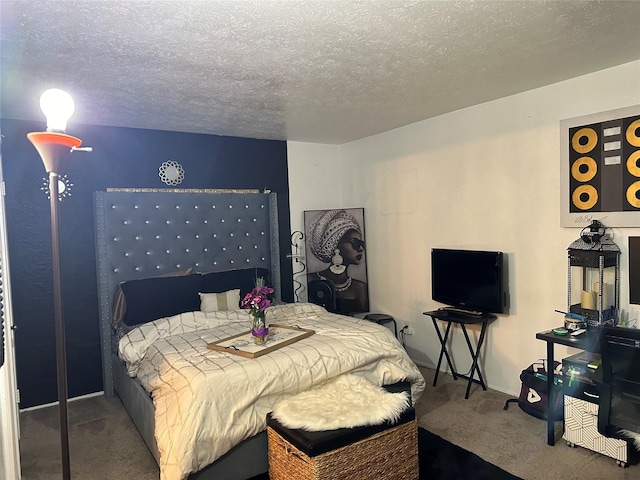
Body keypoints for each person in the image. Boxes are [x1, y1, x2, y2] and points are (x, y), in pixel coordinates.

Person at [307, 209, 369, 313]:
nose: (360, 249)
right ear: (334, 245)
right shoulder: (311, 280)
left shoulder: (360, 288)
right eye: (354, 242)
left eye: (361, 243)